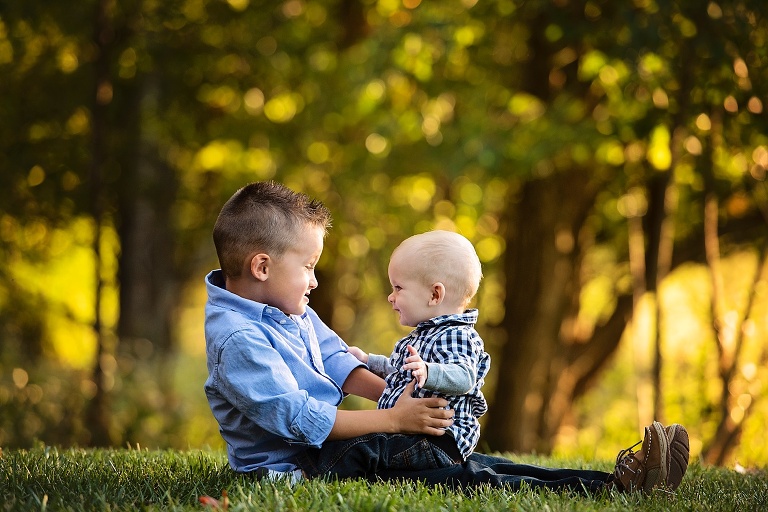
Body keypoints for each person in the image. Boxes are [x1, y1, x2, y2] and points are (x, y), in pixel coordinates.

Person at [204, 180, 690, 493]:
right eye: (308, 267)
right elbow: (298, 419)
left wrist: (410, 402)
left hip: (337, 448)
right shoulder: (238, 339)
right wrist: (394, 420)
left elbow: (336, 362)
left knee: (466, 458)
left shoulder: (287, 308)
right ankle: (612, 488)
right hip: (299, 469)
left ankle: (617, 480)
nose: (314, 281)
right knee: (460, 476)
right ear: (262, 267)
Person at [347, 230, 490, 465]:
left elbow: (465, 376)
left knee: (360, 449)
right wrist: (368, 361)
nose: (391, 297)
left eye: (398, 288)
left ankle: (304, 472)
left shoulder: (456, 335)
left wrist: (428, 371)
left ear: (435, 294)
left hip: (439, 441)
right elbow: (400, 374)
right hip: (417, 436)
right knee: (366, 443)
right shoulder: (424, 335)